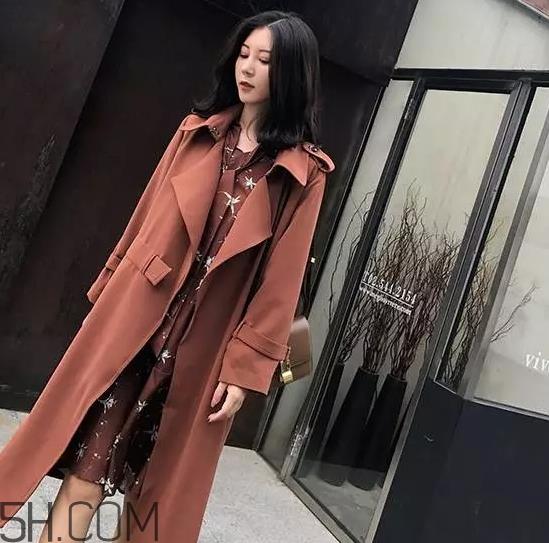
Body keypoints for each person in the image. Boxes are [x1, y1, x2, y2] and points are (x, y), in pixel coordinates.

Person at [0, 9, 335, 543]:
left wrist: (246, 369)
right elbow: (144, 218)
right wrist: (108, 292)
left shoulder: (304, 174)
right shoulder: (195, 133)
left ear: (292, 72)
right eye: (244, 55)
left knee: (156, 492)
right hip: (137, 322)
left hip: (204, 347)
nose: (248, 68)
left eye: (265, 60)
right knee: (89, 461)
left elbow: (282, 280)